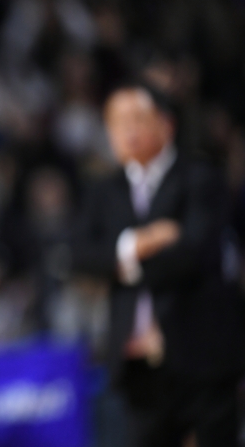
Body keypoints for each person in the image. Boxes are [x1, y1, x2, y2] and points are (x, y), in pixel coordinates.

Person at [72, 85, 245, 447]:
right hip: (138, 365)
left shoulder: (202, 177)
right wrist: (136, 244)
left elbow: (193, 254)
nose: (126, 130)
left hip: (202, 356)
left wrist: (121, 263)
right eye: (116, 122)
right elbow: (80, 255)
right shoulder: (103, 189)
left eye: (136, 118)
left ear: (166, 124)